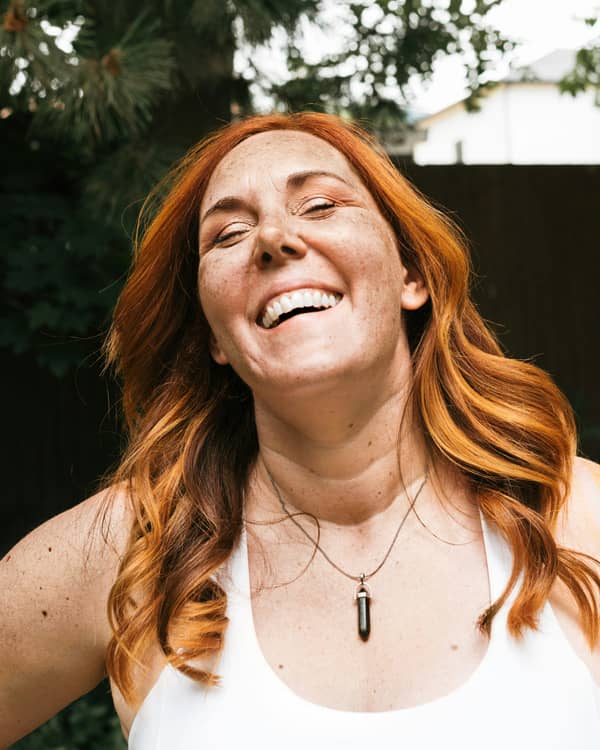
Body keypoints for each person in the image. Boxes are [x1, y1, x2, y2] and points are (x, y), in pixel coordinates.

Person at [1, 111, 599, 749]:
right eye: (228, 233)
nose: (273, 238)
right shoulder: (129, 553)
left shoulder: (581, 522)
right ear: (215, 338)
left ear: (411, 275)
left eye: (318, 205)